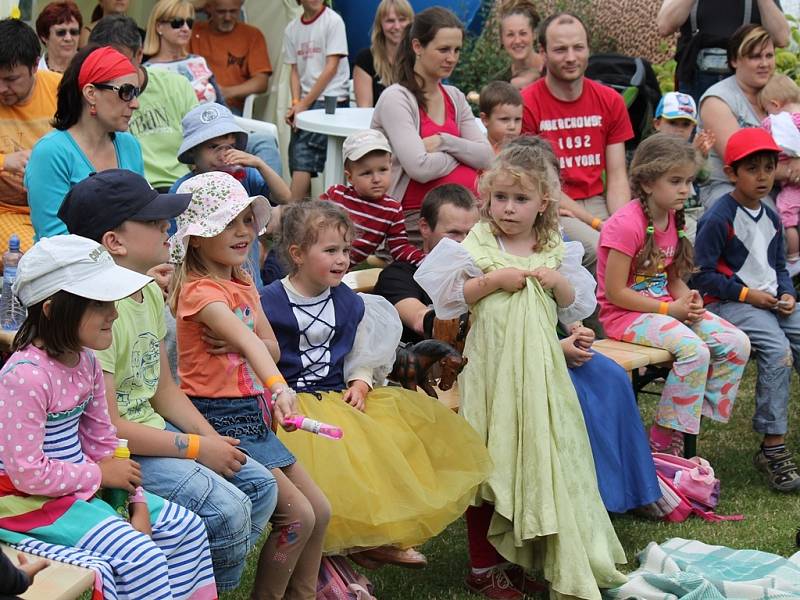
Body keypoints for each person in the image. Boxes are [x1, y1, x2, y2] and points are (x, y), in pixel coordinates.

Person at [415, 137, 626, 600]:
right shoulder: (480, 241)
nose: (509, 208)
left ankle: (523, 555)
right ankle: (483, 566)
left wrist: (558, 284)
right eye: (500, 198)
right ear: (486, 198)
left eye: (521, 199)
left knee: (536, 457)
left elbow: (575, 306)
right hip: (493, 376)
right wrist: (493, 281)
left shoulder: (552, 245)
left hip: (540, 377)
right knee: (492, 462)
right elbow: (450, 298)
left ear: (543, 202)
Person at [57, 169, 279, 593]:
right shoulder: (97, 313)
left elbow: (163, 390)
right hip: (115, 451)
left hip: (156, 433)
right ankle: (175, 582)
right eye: (154, 221)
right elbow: (109, 428)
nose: (167, 228)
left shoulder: (147, 292)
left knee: (260, 485)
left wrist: (212, 441)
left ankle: (190, 583)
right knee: (229, 510)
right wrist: (196, 448)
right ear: (114, 241)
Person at [259, 200, 491, 569]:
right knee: (328, 464)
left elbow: (362, 353)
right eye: (330, 250)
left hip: (337, 394)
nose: (342, 259)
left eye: (346, 250)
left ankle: (379, 536)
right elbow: (259, 357)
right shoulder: (268, 302)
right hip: (289, 404)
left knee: (385, 450)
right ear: (298, 254)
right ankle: (347, 549)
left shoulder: (350, 302)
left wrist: (361, 383)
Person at [0, 234, 217, 599]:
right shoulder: (25, 376)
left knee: (187, 528)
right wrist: (99, 474)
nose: (114, 314)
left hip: (79, 489)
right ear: (53, 309)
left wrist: (138, 502)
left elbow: (106, 445)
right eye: (100, 304)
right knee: (140, 557)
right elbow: (27, 473)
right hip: (27, 503)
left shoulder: (85, 361)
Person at [169, 171, 330, 599]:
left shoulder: (241, 280)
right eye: (228, 223)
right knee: (297, 517)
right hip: (216, 416)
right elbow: (249, 343)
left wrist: (258, 357)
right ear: (198, 237)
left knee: (321, 510)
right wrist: (279, 387)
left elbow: (271, 348)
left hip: (250, 411)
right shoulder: (200, 292)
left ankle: (306, 593)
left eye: (246, 220)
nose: (243, 232)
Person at [597, 133, 750, 456]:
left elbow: (671, 278)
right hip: (625, 316)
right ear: (649, 183)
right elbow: (615, 293)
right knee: (695, 350)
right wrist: (670, 309)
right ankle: (663, 439)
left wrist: (689, 300)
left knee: (736, 343)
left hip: (662, 309)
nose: (686, 190)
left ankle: (689, 418)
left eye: (689, 181)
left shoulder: (672, 217)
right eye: (676, 181)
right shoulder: (625, 225)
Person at [692, 127, 800, 492]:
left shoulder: (771, 215)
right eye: (752, 169)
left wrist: (786, 294)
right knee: (777, 350)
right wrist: (746, 295)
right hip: (729, 304)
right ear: (731, 173)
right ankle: (773, 447)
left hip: (771, 301)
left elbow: (780, 267)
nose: (763, 176)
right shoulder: (718, 216)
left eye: (768, 168)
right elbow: (701, 277)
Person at [520, 12, 633, 271]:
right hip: (551, 205)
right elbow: (540, 183)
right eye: (560, 50)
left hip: (598, 200)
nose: (571, 58)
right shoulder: (527, 103)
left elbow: (617, 176)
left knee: (637, 246)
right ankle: (598, 313)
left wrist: (622, 222)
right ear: (543, 52)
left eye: (578, 48)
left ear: (588, 49)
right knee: (598, 248)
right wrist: (598, 225)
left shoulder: (610, 100)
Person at [372, 7, 493, 246]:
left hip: (469, 218)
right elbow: (420, 168)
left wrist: (444, 142)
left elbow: (488, 157)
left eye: (457, 50)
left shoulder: (455, 97)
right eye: (444, 49)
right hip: (417, 223)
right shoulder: (397, 98)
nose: (452, 58)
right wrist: (463, 155)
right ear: (418, 47)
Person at [25, 45, 143, 241]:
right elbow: (56, 239)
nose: (135, 103)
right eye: (126, 92)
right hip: (69, 268)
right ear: (90, 93)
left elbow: (142, 217)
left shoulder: (129, 145)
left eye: (136, 92)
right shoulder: (51, 152)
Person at [171, 102, 290, 287]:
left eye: (230, 147)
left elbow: (284, 197)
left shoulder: (244, 177)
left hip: (250, 284)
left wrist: (260, 164)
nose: (223, 154)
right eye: (213, 147)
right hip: (208, 285)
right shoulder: (184, 188)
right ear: (193, 151)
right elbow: (176, 248)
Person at [89, 15, 198, 193]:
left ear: (139, 54)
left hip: (182, 186)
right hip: (133, 193)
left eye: (119, 61)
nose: (110, 69)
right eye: (102, 62)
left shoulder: (177, 85)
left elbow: (199, 144)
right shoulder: (96, 97)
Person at [697, 24, 792, 208]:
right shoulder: (717, 100)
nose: (764, 64)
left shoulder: (780, 91)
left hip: (780, 185)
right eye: (755, 57)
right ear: (734, 60)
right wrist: (792, 170)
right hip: (731, 187)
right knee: (765, 217)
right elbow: (742, 162)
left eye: (769, 56)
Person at [374, 183, 478, 344]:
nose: (464, 241)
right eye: (453, 233)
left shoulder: (480, 272)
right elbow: (421, 321)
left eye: (470, 233)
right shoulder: (397, 276)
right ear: (425, 227)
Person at [321, 129, 425, 267]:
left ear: (391, 167)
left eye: (383, 170)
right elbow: (307, 222)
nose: (376, 179)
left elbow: (399, 248)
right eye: (366, 173)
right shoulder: (336, 195)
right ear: (350, 177)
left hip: (338, 271)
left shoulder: (392, 210)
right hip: (314, 263)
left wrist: (425, 260)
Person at [0, 18, 61, 252]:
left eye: (10, 79)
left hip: (60, 206)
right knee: (37, 257)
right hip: (9, 210)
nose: (1, 88)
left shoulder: (62, 91)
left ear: (35, 65)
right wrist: (6, 162)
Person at [656, 0, 789, 103]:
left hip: (746, 81)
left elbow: (781, 38)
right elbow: (664, 26)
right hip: (693, 78)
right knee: (692, 136)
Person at [284, 0, 350, 201]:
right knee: (295, 157)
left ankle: (289, 215)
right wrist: (296, 102)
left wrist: (301, 106)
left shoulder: (333, 21)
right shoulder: (292, 28)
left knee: (304, 155)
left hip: (331, 99)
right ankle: (301, 216)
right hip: (306, 103)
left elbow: (331, 68)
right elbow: (294, 70)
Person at [651, 91, 716, 241]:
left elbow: (703, 178)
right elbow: (667, 172)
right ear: (657, 124)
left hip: (692, 211)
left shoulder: (691, 148)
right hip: (662, 214)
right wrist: (693, 153)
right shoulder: (653, 149)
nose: (679, 129)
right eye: (673, 123)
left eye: (686, 124)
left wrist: (702, 155)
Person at [189, 0, 271, 114]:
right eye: (221, 12)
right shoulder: (191, 32)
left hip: (229, 107)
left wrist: (225, 92)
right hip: (193, 105)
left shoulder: (252, 35)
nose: (227, 17)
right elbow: (168, 17)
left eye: (233, 11)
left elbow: (261, 82)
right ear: (209, 9)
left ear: (240, 8)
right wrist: (195, 7)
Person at [143, 0, 222, 104]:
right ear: (159, 27)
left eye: (189, 23)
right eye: (177, 22)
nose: (185, 29)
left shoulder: (199, 61)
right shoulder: (147, 72)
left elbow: (221, 104)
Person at [758, 74, 800, 268]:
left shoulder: (774, 122)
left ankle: (792, 257)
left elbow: (759, 141)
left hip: (792, 185)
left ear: (775, 104)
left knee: (786, 214)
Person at [353, 0, 414, 107]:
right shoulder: (366, 59)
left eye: (402, 20)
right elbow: (364, 111)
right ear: (380, 24)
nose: (397, 26)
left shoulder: (420, 58)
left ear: (411, 23)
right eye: (390, 21)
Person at [494, 0, 544, 90]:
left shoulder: (552, 71)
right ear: (502, 39)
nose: (517, 41)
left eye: (523, 33)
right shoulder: (500, 83)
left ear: (534, 34)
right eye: (510, 35)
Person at [35, 1, 82, 73]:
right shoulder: (34, 74)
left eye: (74, 32)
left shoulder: (90, 69)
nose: (68, 38)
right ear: (44, 37)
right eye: (61, 32)